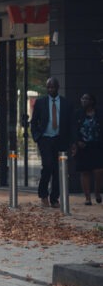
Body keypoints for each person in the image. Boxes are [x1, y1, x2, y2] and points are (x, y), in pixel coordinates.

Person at [30, 77, 74, 208]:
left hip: (60, 140)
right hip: (45, 139)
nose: (50, 89)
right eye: (48, 87)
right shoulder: (40, 102)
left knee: (57, 170)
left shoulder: (66, 103)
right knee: (47, 166)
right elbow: (34, 122)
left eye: (53, 87)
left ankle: (54, 198)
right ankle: (43, 194)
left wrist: (73, 142)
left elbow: (71, 124)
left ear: (58, 87)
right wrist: (37, 137)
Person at [72, 92, 103, 205]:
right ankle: (87, 197)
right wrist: (77, 142)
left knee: (99, 171)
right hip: (83, 146)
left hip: (97, 146)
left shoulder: (99, 113)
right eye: (82, 98)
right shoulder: (78, 114)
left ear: (92, 101)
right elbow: (74, 129)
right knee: (85, 172)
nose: (83, 101)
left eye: (86, 99)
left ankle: (98, 192)